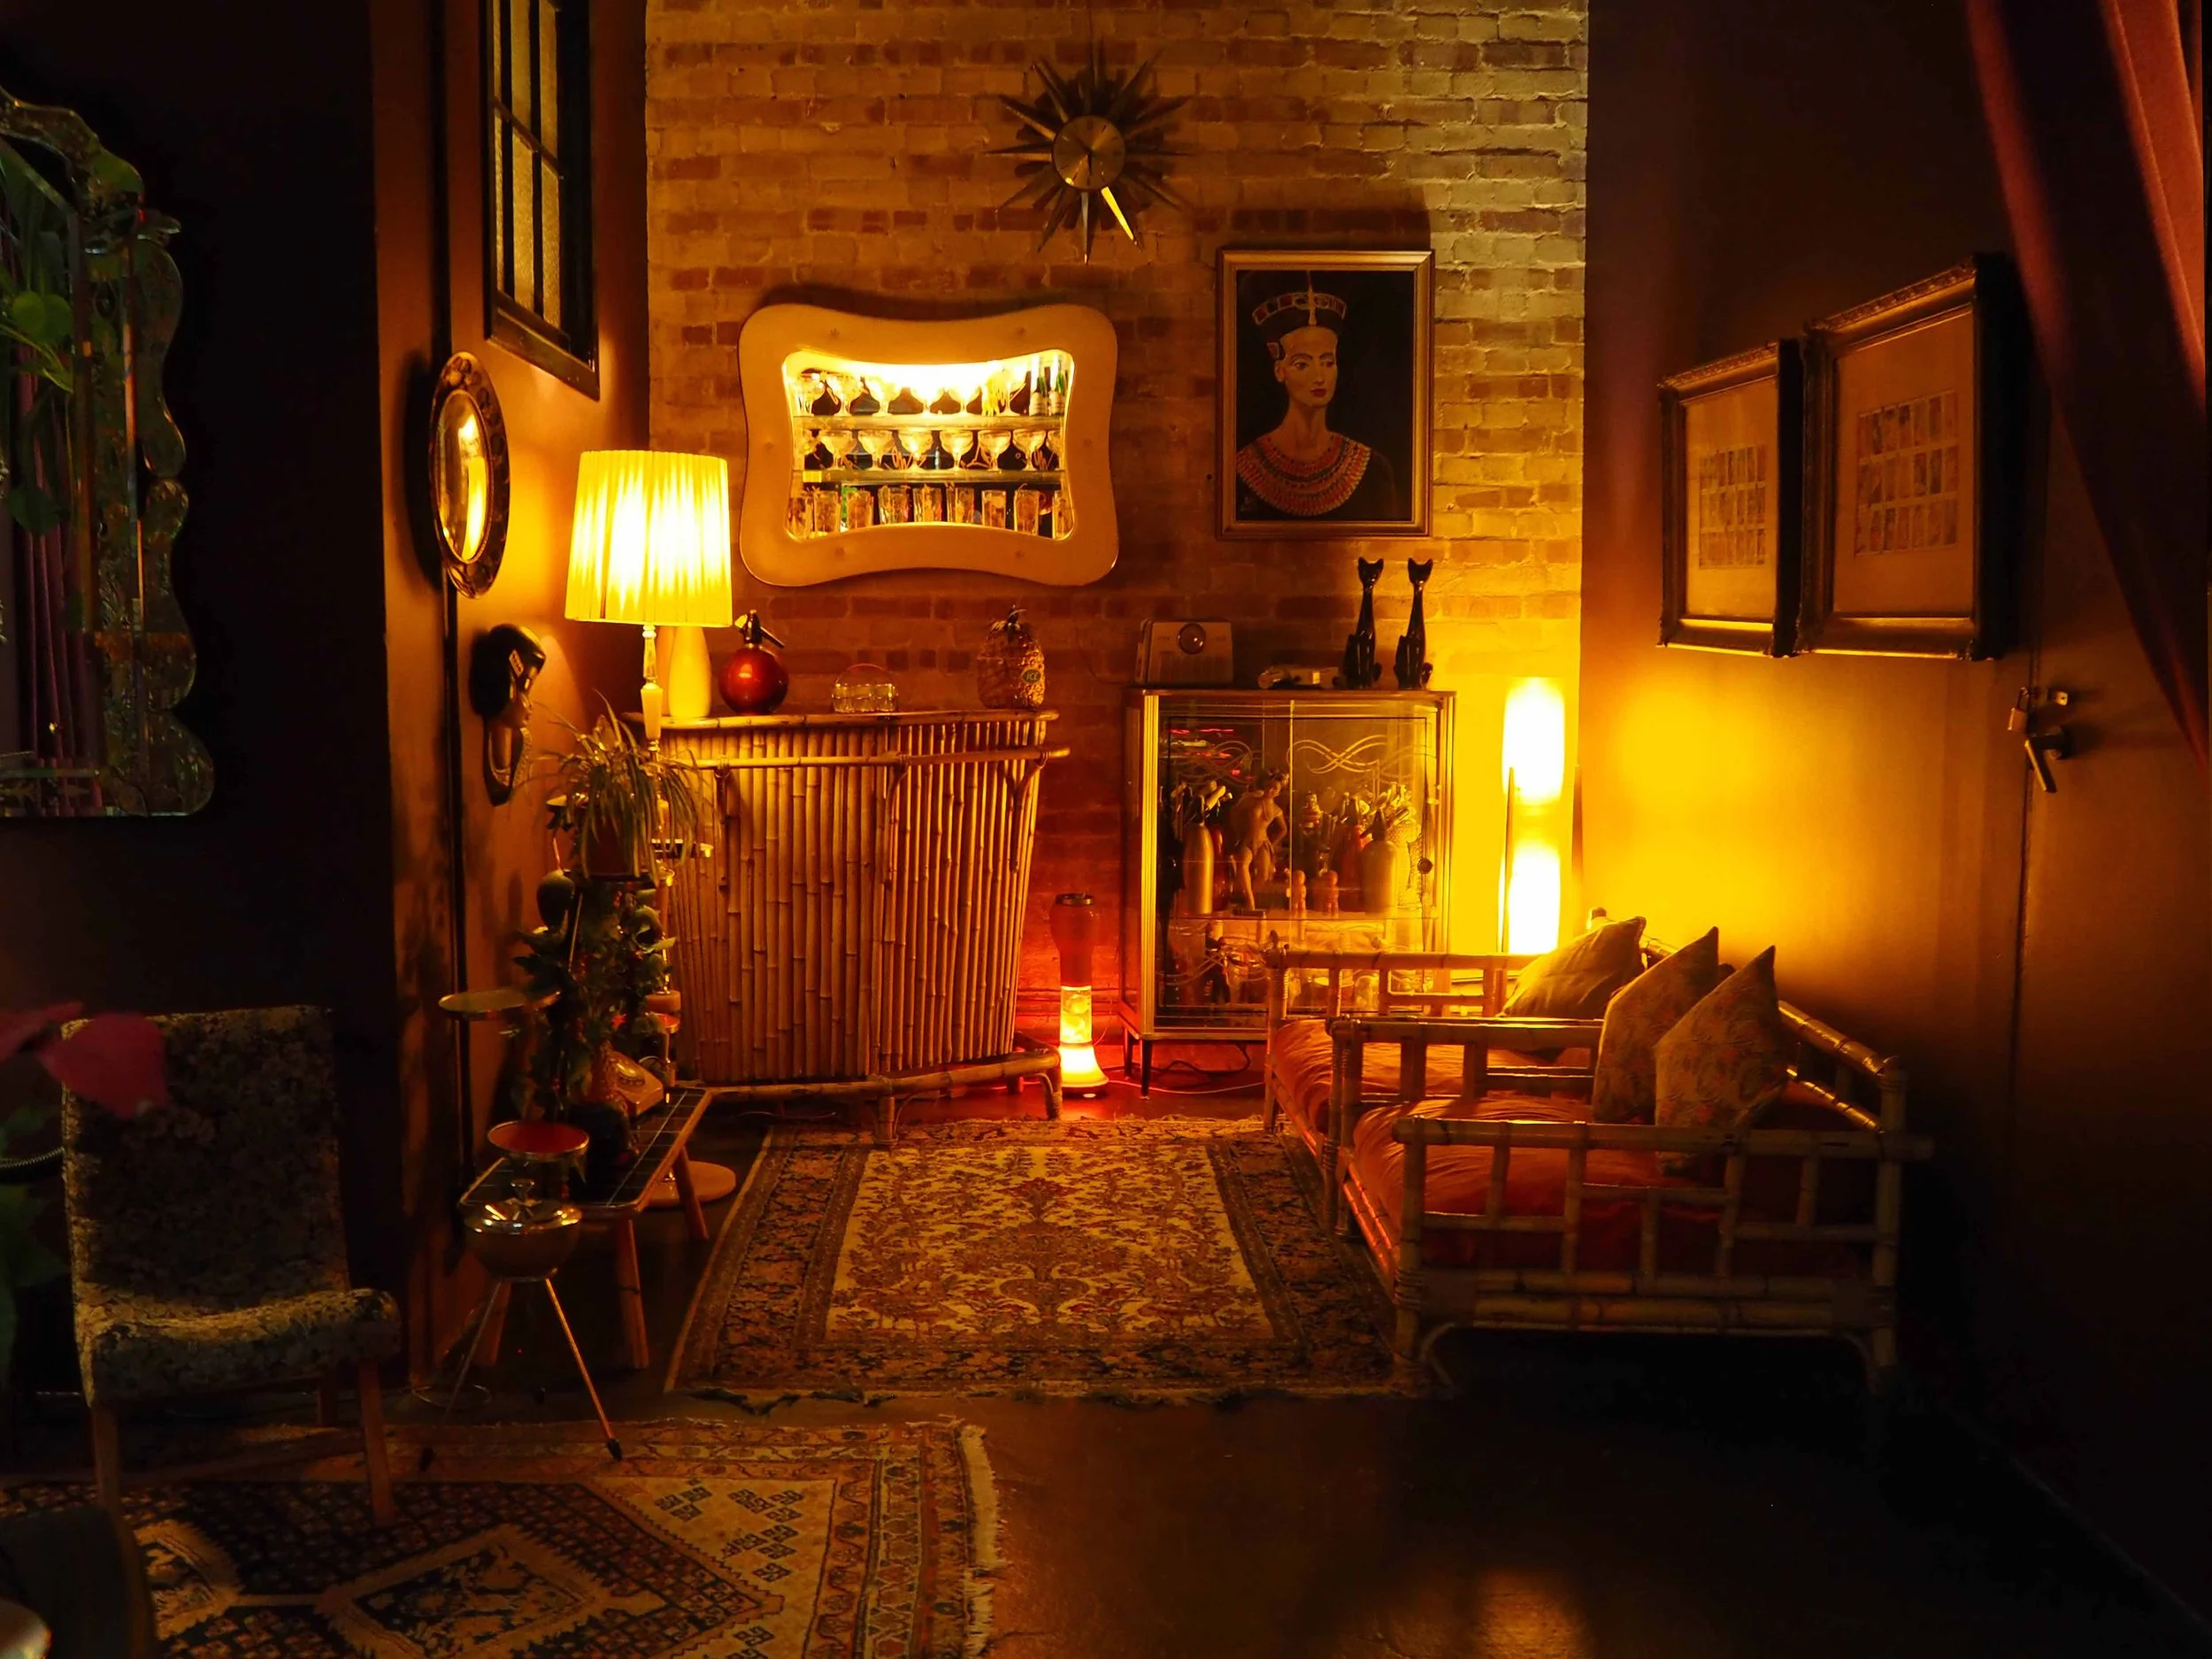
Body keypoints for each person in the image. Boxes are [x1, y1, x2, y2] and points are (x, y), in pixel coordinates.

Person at [1234, 276, 1402, 522]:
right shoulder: (1243, 469)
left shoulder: (1373, 471)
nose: (1319, 377)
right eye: (1302, 364)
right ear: (1280, 371)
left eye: (1327, 362)